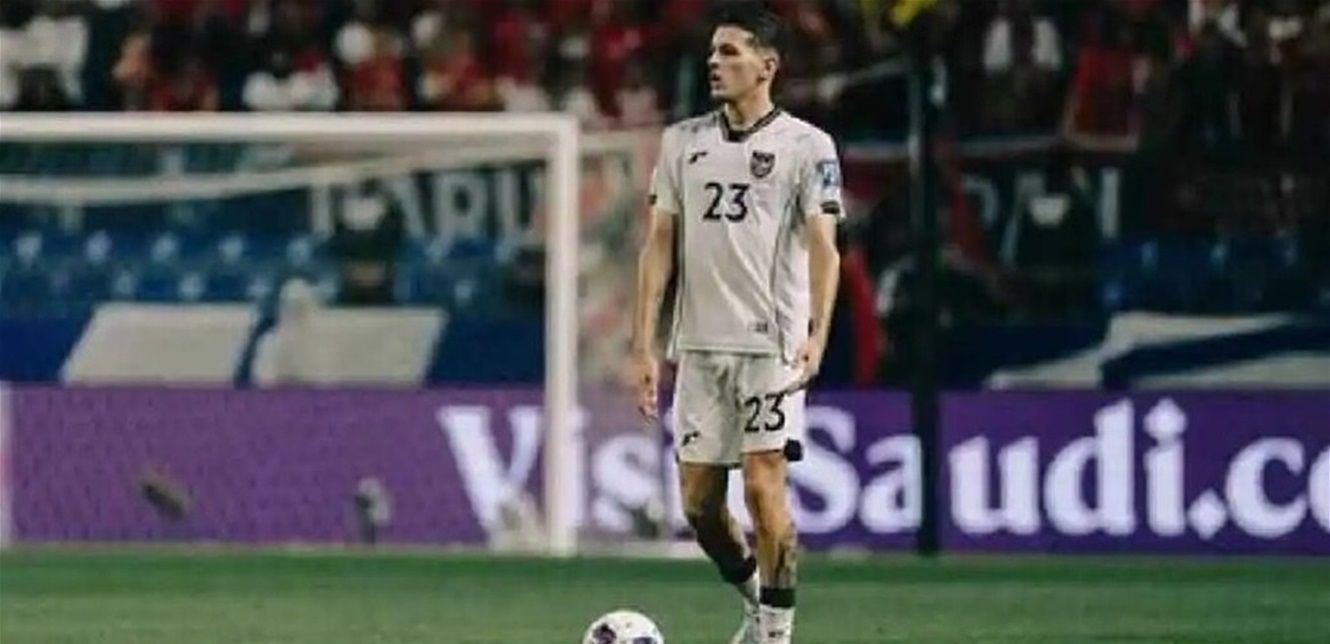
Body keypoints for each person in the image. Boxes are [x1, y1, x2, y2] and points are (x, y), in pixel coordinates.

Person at [629, 3, 843, 643]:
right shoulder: (681, 143)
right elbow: (658, 245)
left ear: (767, 65)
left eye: (729, 52)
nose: (714, 63)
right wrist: (644, 345)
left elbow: (825, 248)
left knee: (762, 485)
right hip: (699, 346)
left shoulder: (807, 147)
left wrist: (816, 334)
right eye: (712, 52)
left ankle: (777, 634)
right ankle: (756, 604)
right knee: (699, 505)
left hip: (772, 346)